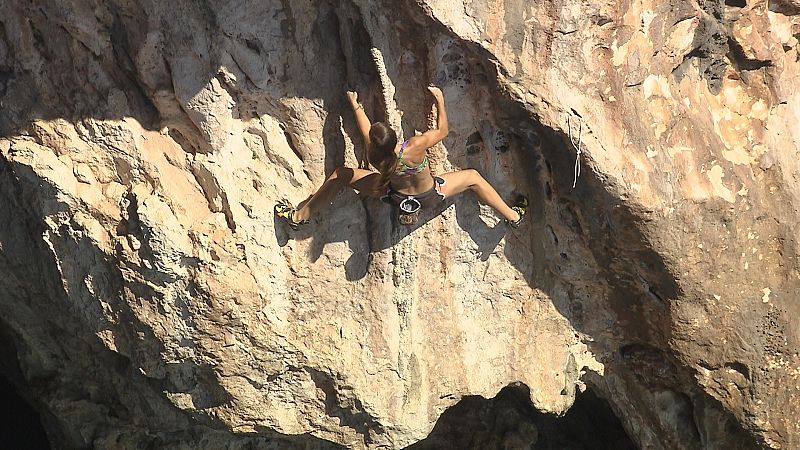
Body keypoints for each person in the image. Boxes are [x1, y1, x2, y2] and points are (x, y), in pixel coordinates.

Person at [275, 85, 527, 229]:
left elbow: (365, 131)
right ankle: (513, 217)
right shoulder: (413, 148)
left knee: (341, 175)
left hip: (392, 196)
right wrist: (439, 99)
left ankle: (299, 217)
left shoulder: (377, 158)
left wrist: (354, 103)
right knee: (473, 177)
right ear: (396, 138)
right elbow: (442, 131)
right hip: (431, 196)